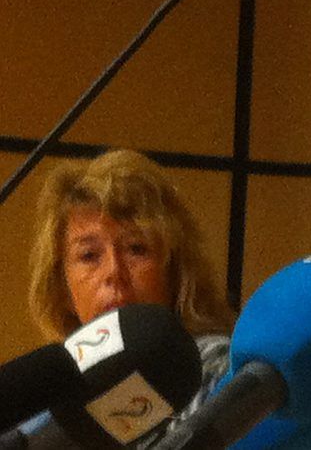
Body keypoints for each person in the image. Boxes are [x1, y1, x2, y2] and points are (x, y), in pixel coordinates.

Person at [24, 149, 235, 446]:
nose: (114, 271)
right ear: (63, 290)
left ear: (175, 272)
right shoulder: (49, 399)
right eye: (89, 255)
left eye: (136, 249)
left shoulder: (214, 367)